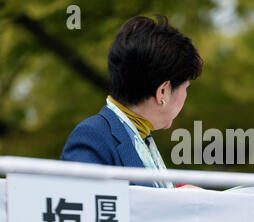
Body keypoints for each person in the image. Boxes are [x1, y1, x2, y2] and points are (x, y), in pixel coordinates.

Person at [61, 15, 202, 188]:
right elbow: (81, 208)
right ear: (163, 92)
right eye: (185, 88)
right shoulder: (92, 138)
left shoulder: (140, 136)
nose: (185, 95)